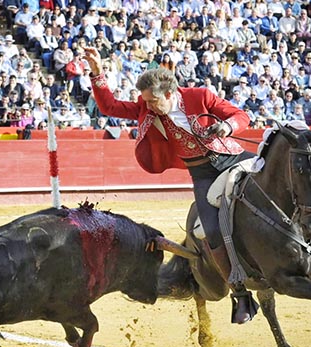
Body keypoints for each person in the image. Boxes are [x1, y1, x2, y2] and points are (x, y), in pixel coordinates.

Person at [83, 46, 258, 325]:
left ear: (169, 93)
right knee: (211, 231)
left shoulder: (200, 95)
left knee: (282, 179)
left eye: (153, 101)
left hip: (232, 157)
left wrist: (226, 128)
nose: (149, 107)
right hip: (202, 174)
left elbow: (240, 116)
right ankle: (240, 295)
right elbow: (109, 106)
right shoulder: (147, 107)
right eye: (146, 102)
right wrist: (96, 72)